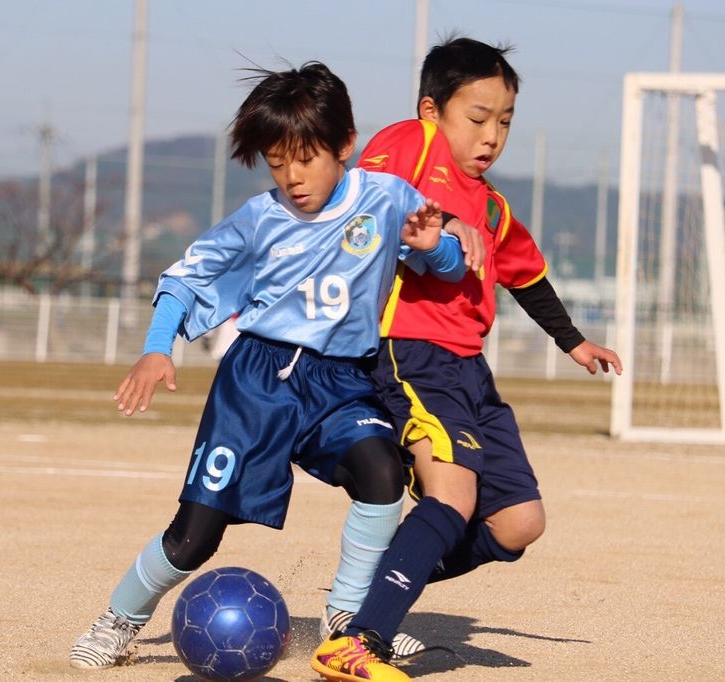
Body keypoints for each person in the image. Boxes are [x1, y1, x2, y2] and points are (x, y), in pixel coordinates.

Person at [68, 62, 466, 680]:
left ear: (345, 145)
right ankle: (119, 620)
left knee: (383, 472)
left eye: (304, 158)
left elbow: (446, 265)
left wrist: (431, 244)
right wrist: (157, 346)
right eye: (277, 162)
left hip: (342, 380)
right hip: (256, 380)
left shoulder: (388, 199)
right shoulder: (259, 219)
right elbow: (184, 277)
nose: (291, 177)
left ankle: (349, 619)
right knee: (197, 535)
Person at [313, 37, 623, 678]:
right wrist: (440, 228)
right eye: (477, 118)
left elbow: (527, 275)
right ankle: (360, 638)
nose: (492, 135)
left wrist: (574, 341)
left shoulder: (493, 206)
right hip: (410, 353)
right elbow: (364, 197)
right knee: (451, 496)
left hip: (469, 369)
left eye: (504, 121)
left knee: (518, 523)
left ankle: (377, 596)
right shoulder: (411, 144)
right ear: (432, 111)